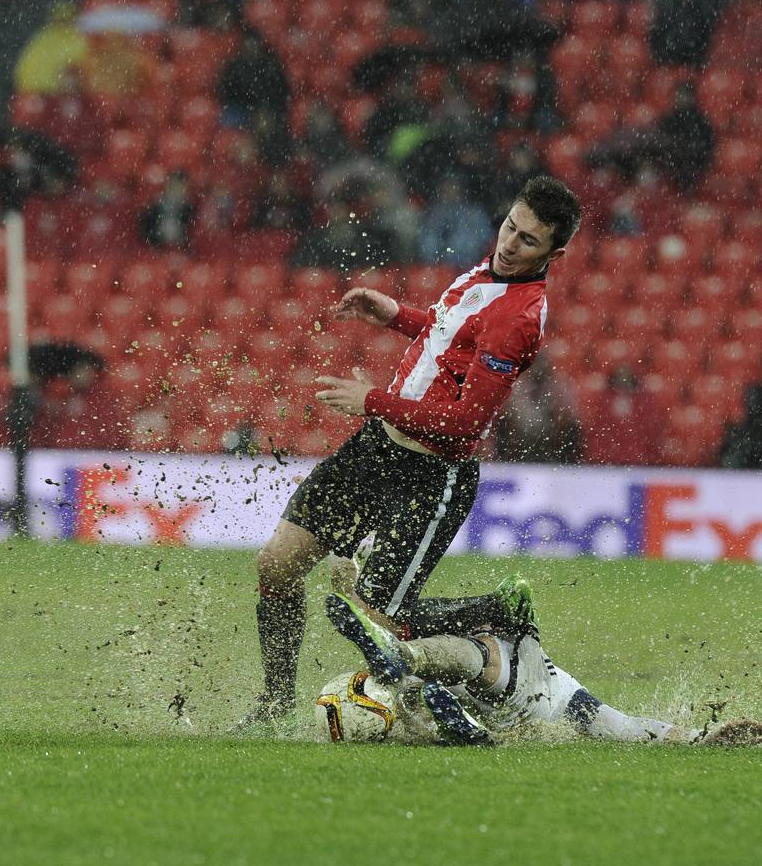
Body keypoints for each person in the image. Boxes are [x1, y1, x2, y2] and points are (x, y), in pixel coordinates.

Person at [240, 176, 582, 729]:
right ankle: (273, 707)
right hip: (377, 449)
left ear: (554, 253)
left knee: (377, 616)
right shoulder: (487, 270)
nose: (510, 243)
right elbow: (450, 338)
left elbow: (469, 421)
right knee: (278, 565)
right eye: (510, 226)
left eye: (528, 241)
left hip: (432, 475)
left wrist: (371, 399)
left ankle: (495, 614)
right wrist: (397, 316)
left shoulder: (518, 315)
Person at [323, 578, 762, 748]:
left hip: (508, 685)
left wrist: (703, 739)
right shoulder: (572, 698)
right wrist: (699, 739)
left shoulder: (568, 703)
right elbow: (629, 726)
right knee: (459, 660)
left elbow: (627, 727)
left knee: (470, 657)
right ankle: (411, 665)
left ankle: (405, 658)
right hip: (490, 678)